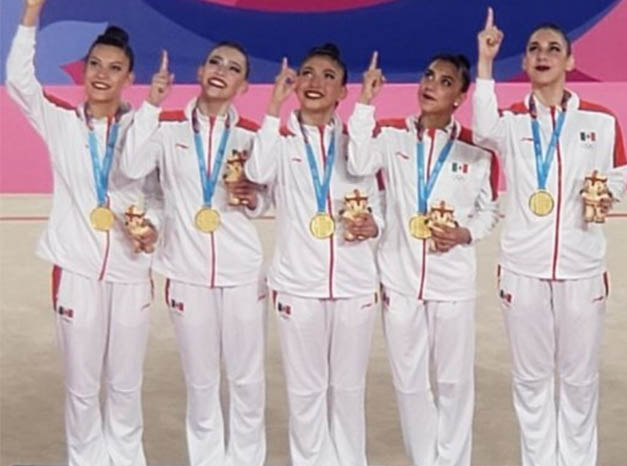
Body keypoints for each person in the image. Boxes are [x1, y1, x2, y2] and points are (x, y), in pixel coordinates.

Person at [6, 0, 170, 464]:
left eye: (114, 68)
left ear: (128, 79)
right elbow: (19, 81)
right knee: (82, 387)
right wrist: (30, 14)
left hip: (131, 272)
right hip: (76, 271)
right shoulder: (61, 121)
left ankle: (127, 458)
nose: (102, 74)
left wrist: (153, 227)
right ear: (83, 70)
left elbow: (160, 197)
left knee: (125, 383)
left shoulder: (145, 127)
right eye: (95, 64)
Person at [472, 8, 627, 466]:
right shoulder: (510, 122)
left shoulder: (601, 121)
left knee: (580, 380)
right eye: (534, 49)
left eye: (553, 49)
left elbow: (618, 174)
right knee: (531, 379)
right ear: (524, 63)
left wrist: (606, 196)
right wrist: (485, 63)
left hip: (582, 268)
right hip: (523, 270)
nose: (543, 55)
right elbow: (481, 128)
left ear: (570, 61)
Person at [347, 50, 499, 466]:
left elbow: (489, 211)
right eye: (429, 76)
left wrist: (465, 233)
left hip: (452, 282)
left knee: (454, 383)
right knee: (410, 383)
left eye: (445, 82)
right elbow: (359, 161)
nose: (431, 85)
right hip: (399, 279)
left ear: (460, 97)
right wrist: (365, 101)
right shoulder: (390, 135)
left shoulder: (477, 151)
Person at [119, 41, 268, 466]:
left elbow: (267, 196)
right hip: (186, 272)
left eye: (234, 68)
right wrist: (151, 103)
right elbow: (134, 171)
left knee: (246, 381)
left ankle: (247, 461)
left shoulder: (253, 135)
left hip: (242, 273)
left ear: (243, 86)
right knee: (201, 383)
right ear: (200, 72)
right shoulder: (166, 127)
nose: (222, 71)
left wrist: (254, 199)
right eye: (215, 63)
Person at [245, 44, 382, 466]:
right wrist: (273, 107)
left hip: (354, 285)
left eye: (328, 76)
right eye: (307, 73)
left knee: (348, 391)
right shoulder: (279, 141)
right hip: (297, 287)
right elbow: (256, 173)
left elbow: (375, 194)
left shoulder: (358, 142)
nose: (315, 82)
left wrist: (375, 224)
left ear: (343, 91)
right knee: (305, 393)